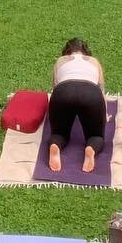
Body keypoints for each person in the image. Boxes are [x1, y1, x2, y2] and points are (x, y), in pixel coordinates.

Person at [48, 38, 106, 175]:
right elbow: (101, 91)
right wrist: (103, 115)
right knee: (96, 136)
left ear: (66, 52)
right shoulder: (94, 62)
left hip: (63, 92)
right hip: (91, 94)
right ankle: (91, 148)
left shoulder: (60, 61)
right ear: (86, 52)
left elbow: (55, 89)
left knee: (59, 133)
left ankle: (55, 144)